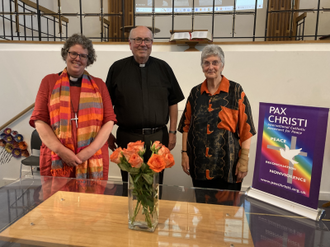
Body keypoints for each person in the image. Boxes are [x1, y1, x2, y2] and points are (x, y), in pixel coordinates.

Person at [30, 33, 116, 180]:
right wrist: (61, 151)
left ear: (88, 60)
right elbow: (40, 120)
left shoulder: (99, 85)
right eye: (73, 53)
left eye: (83, 55)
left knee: (90, 202)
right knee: (57, 201)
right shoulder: (49, 82)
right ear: (66, 54)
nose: (77, 58)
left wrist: (88, 152)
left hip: (92, 158)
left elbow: (109, 121)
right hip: (57, 157)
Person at [106, 26, 184, 185]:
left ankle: (154, 210)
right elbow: (107, 106)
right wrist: (107, 134)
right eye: (138, 40)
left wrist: (173, 132)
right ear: (130, 44)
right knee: (130, 183)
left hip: (157, 138)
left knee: (155, 183)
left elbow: (173, 102)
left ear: (152, 43)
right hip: (127, 138)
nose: (143, 44)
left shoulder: (164, 68)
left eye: (147, 40)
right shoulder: (117, 69)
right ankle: (130, 210)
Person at [178, 44, 256, 191]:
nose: (211, 67)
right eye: (206, 63)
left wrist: (244, 160)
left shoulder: (236, 90)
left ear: (222, 66)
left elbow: (247, 128)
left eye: (215, 62)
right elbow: (186, 126)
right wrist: (184, 154)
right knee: (202, 210)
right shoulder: (195, 93)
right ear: (202, 67)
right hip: (199, 165)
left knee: (227, 211)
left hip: (229, 166)